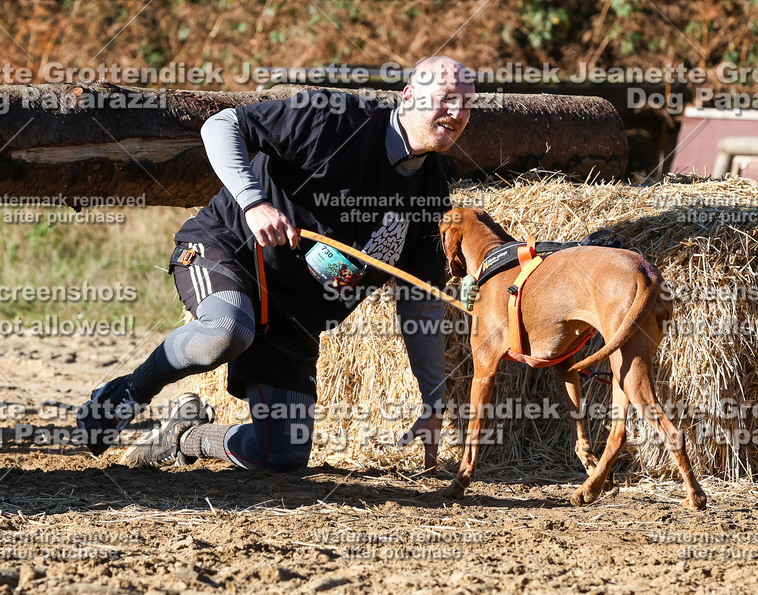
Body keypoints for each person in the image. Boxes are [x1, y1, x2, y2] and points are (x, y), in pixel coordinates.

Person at [75, 55, 476, 472]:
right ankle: (130, 392)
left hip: (293, 316)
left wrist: (433, 399)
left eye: (467, 105)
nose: (457, 113)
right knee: (227, 330)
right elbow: (221, 125)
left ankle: (184, 437)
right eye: (447, 99)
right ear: (409, 95)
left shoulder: (432, 194)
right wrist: (253, 202)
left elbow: (420, 298)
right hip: (229, 251)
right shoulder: (335, 119)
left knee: (281, 456)